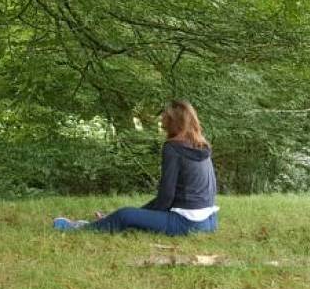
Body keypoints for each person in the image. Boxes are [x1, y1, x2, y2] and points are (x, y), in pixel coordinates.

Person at [54, 100, 219, 236]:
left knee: (125, 214)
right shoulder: (201, 145)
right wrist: (140, 215)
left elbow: (166, 197)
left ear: (173, 122)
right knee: (131, 216)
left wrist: (133, 217)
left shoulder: (173, 148)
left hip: (187, 223)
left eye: (164, 118)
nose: (161, 122)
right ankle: (110, 221)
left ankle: (80, 229)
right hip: (209, 222)